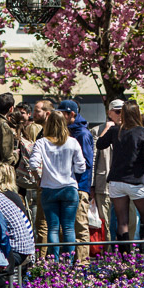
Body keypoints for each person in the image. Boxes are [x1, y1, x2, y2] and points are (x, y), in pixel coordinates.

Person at [96, 100, 144, 258]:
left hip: (116, 181)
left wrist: (109, 127)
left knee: (122, 222)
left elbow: (100, 144)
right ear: (137, 114)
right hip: (137, 181)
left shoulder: (115, 131)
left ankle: (124, 259)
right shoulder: (143, 132)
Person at [29, 111, 86, 261]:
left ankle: (53, 262)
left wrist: (38, 179)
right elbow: (81, 167)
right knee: (68, 227)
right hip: (69, 188)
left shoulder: (41, 142)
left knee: (52, 228)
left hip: (49, 189)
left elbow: (33, 164)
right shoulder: (72, 142)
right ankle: (70, 261)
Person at [57, 99, 94, 263]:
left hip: (79, 186)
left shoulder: (82, 134)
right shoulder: (67, 131)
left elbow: (87, 163)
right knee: (64, 227)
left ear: (71, 114)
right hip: (66, 186)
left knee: (80, 225)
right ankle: (67, 262)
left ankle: (83, 263)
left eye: (62, 113)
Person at [92, 99, 123, 240]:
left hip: (123, 183)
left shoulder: (129, 131)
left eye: (123, 111)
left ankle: (129, 252)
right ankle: (107, 254)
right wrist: (91, 185)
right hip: (103, 182)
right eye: (117, 112)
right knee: (105, 222)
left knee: (126, 221)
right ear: (109, 113)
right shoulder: (97, 130)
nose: (120, 115)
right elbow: (93, 159)